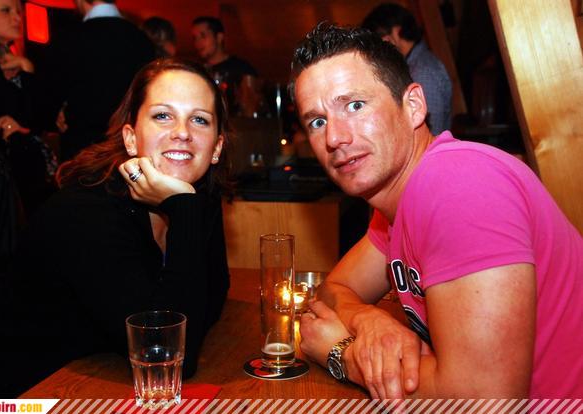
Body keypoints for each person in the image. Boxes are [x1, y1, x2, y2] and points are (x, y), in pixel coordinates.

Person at [291, 24, 583, 398]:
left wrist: (343, 355)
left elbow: (485, 401)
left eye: (355, 105)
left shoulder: (457, 186)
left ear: (413, 105)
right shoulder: (396, 206)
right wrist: (368, 319)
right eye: (317, 121)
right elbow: (335, 289)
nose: (334, 138)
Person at [0, 59, 231, 397]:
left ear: (216, 148)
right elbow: (168, 355)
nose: (182, 132)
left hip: (82, 380)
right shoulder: (86, 213)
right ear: (131, 138)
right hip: (4, 393)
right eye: (163, 115)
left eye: (199, 119)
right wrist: (184, 209)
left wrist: (185, 206)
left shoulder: (196, 196)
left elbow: (213, 295)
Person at [0, 0, 56, 269]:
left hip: (21, 172)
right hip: (10, 174)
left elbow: (38, 118)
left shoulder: (10, 60)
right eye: (6, 10)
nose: (17, 17)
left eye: (18, 11)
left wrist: (25, 68)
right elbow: (12, 115)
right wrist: (26, 74)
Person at [37, 0, 155, 161]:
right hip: (127, 150)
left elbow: (45, 102)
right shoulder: (142, 41)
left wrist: (56, 116)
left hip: (81, 152)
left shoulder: (68, 39)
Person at [363, 3, 452, 135]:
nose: (377, 51)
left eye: (379, 41)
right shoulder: (416, 65)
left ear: (395, 32)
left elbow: (432, 132)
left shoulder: (422, 71)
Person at [191, 16, 260, 117]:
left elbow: (251, 110)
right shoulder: (197, 71)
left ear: (219, 37)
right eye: (195, 38)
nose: (198, 43)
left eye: (203, 36)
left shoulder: (242, 69)